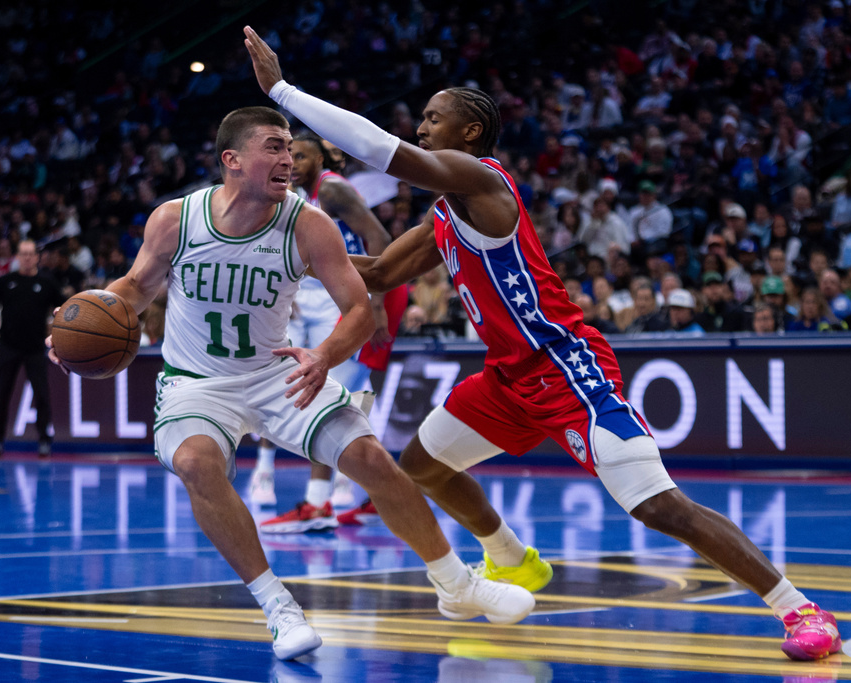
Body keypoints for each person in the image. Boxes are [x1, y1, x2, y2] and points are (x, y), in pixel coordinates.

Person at [245, 25, 841, 662]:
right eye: (419, 120)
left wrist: (282, 90)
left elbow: (383, 151)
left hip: (565, 366)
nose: (420, 129)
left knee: (661, 507)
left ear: (470, 133)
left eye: (432, 118)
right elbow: (383, 272)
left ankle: (800, 610)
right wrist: (281, 252)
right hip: (507, 377)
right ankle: (511, 558)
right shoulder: (446, 212)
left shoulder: (483, 184)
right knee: (420, 467)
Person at [49, 105, 533, 661]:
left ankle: (455, 583)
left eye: (289, 147)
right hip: (197, 381)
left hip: (279, 371)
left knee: (373, 460)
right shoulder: (175, 219)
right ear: (233, 161)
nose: (288, 159)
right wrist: (74, 328)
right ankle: (278, 606)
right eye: (274, 148)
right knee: (196, 462)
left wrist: (325, 355)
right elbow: (135, 288)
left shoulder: (308, 223)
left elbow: (359, 309)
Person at [255, 131, 408, 529]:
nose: (294, 162)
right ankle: (382, 498)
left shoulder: (334, 190)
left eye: (304, 155)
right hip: (345, 296)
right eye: (291, 154)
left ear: (322, 160)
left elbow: (379, 238)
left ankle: (318, 505)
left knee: (330, 401)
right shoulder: (302, 199)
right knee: (349, 403)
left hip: (366, 295)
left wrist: (375, 308)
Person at [0, 240, 66, 457]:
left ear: (36, 257)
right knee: (1, 395)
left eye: (30, 254)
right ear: (17, 257)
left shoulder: (46, 283)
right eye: (23, 253)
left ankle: (44, 440)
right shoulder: (6, 281)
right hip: (8, 347)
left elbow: (64, 307)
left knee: (42, 395)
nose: (26, 257)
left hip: (35, 348)